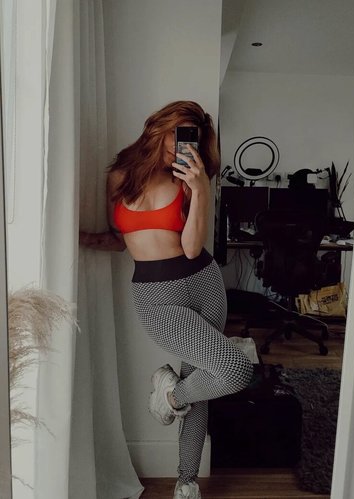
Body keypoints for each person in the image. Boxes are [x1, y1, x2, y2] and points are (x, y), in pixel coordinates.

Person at [79, 100, 253, 499]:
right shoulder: (119, 176)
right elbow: (119, 240)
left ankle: (185, 479)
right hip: (157, 297)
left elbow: (191, 248)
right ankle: (172, 396)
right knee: (235, 370)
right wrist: (77, 237)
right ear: (158, 128)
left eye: (190, 137)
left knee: (205, 380)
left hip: (204, 284)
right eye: (177, 132)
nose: (181, 143)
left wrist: (201, 188)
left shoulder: (189, 181)